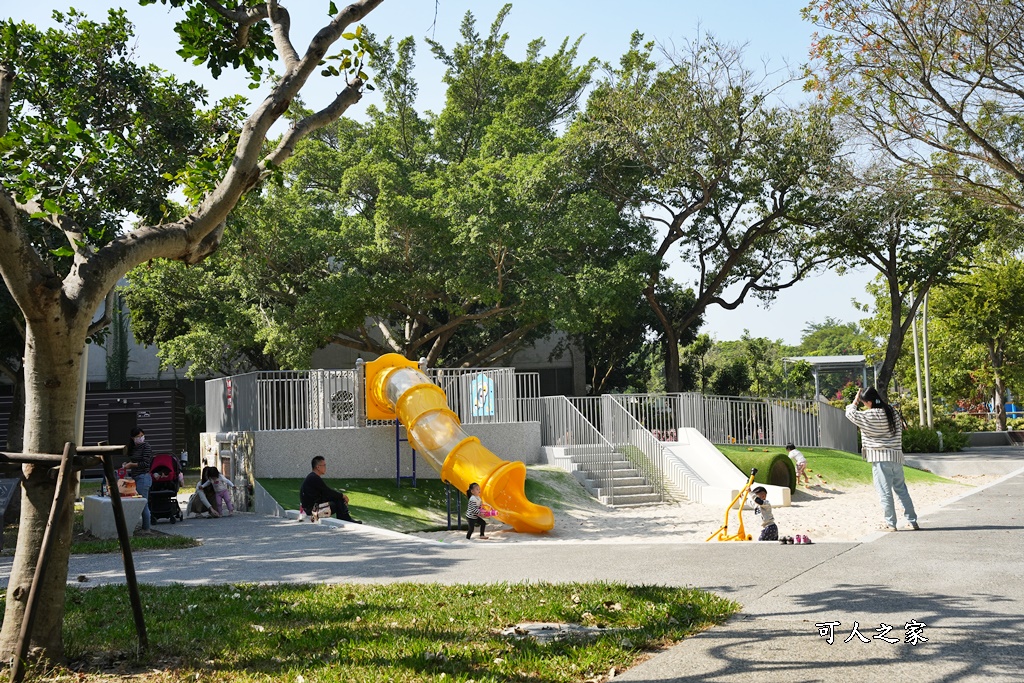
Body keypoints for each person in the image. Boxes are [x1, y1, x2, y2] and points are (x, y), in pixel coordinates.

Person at [845, 386, 920, 532]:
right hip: (896, 457)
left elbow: (850, 414)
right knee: (901, 490)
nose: (864, 405)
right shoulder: (892, 412)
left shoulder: (869, 416)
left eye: (864, 402)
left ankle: (890, 523)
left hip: (880, 458)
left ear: (869, 402)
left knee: (884, 491)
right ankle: (912, 521)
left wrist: (855, 400)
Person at [299, 456, 361, 523]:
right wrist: (343, 496)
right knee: (338, 500)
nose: (325, 467)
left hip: (310, 509)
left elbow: (325, 494)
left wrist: (339, 496)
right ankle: (346, 520)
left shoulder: (312, 477)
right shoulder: (314, 478)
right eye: (324, 465)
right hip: (312, 512)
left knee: (337, 498)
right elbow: (328, 492)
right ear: (318, 467)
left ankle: (345, 519)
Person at [124, 427, 154, 531]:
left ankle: (146, 528)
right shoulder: (133, 448)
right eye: (137, 436)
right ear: (133, 438)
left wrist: (132, 465)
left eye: (142, 436)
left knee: (143, 503)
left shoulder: (146, 446)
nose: (140, 438)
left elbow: (145, 463)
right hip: (135, 477)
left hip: (143, 477)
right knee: (136, 502)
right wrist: (127, 465)